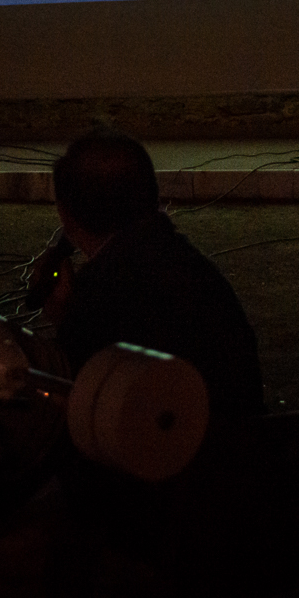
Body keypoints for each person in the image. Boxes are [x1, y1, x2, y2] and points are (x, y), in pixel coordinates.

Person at [38, 127, 263, 423]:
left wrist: (64, 317)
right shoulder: (192, 267)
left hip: (173, 458)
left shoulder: (99, 297)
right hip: (242, 449)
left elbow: (83, 405)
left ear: (66, 216)